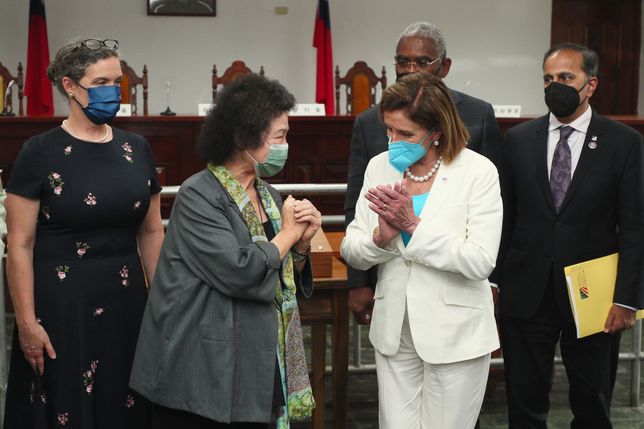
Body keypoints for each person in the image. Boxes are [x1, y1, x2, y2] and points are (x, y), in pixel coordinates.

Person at [129, 74, 319, 429]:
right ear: (243, 137)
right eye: (279, 136)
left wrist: (302, 245)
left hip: (258, 352)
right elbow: (240, 270)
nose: (285, 145)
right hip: (204, 360)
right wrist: (290, 233)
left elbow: (280, 268)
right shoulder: (198, 194)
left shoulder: (269, 196)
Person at [3, 37, 164, 428]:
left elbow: (152, 231)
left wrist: (162, 305)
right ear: (70, 87)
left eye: (117, 81)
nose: (113, 91)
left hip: (127, 304)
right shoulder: (38, 152)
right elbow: (19, 245)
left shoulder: (137, 148)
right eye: (101, 82)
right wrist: (26, 323)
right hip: (62, 309)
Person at [340, 72, 502, 428]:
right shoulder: (379, 166)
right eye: (389, 130)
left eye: (406, 134)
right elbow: (352, 248)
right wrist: (379, 240)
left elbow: (480, 260)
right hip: (395, 329)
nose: (393, 141)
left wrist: (413, 226)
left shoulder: (478, 171)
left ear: (437, 131)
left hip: (455, 331)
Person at [498, 43, 644, 428]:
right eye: (548, 78)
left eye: (565, 78)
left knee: (592, 404)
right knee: (524, 403)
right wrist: (496, 280)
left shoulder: (624, 143)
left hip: (593, 297)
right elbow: (506, 217)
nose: (554, 86)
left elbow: (634, 226)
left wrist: (627, 299)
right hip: (527, 291)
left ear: (590, 84)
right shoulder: (518, 140)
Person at [345, 21, 503, 325]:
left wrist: (494, 281)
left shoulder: (477, 118)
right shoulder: (371, 127)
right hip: (393, 307)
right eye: (403, 61)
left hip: (456, 307)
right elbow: (357, 210)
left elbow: (494, 212)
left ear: (444, 66)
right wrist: (359, 281)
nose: (410, 69)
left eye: (421, 61)